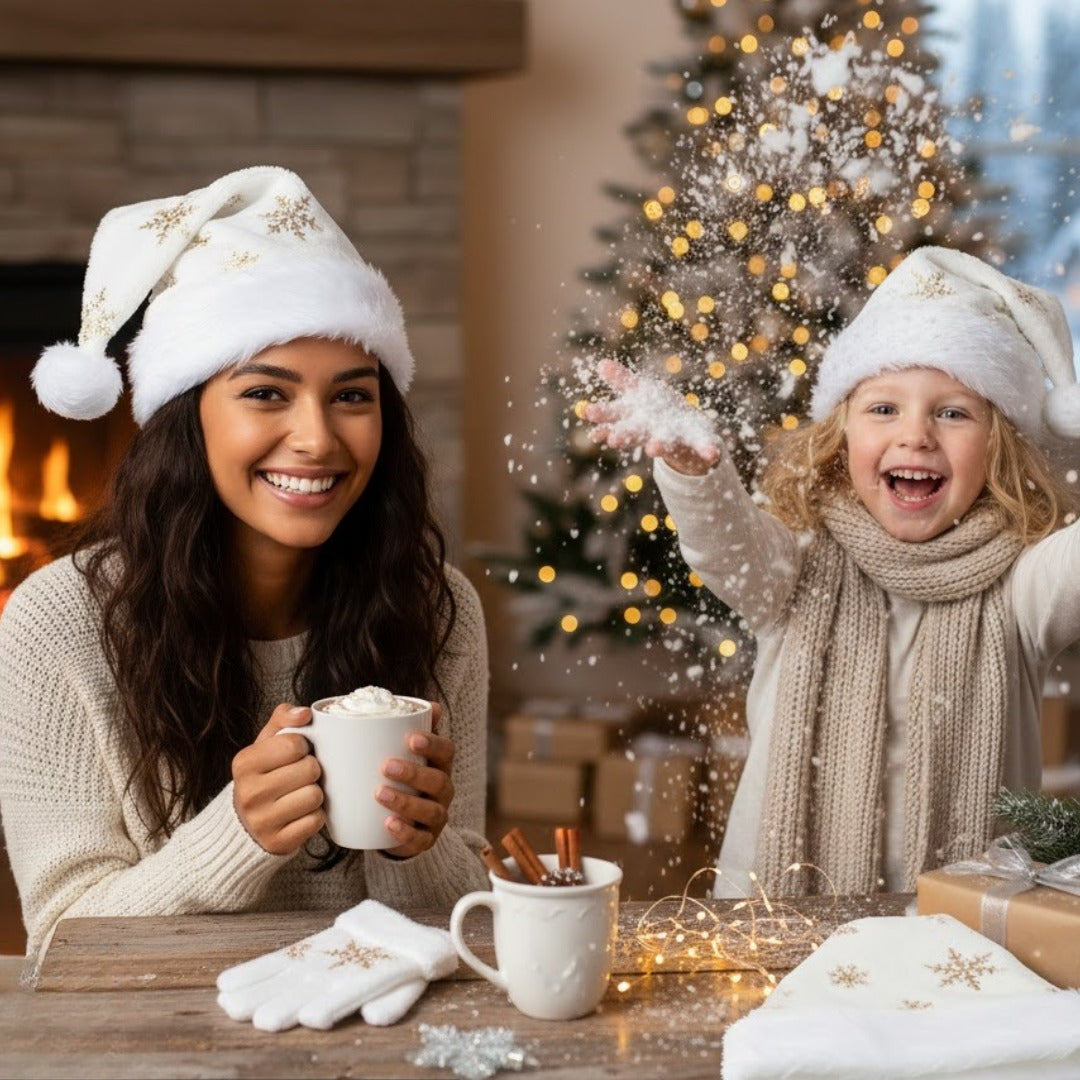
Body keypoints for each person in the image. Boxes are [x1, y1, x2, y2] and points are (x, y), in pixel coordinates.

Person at [0, 166, 490, 973]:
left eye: (352, 397)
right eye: (267, 393)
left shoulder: (435, 606)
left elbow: (457, 919)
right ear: (188, 417)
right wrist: (236, 838)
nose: (317, 439)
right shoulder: (63, 619)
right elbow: (58, 946)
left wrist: (420, 849)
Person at [587, 246, 1080, 898]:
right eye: (883, 409)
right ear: (841, 435)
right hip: (777, 913)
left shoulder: (1024, 584)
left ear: (1000, 443)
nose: (917, 435)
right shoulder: (795, 562)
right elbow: (729, 547)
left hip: (962, 929)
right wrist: (695, 471)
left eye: (954, 412)